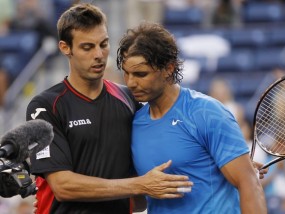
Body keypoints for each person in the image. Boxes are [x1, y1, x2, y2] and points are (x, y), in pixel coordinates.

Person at [25, 4, 193, 214]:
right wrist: (139, 185)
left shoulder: (129, 99)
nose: (99, 54)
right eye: (87, 47)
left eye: (103, 44)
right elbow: (62, 186)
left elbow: (141, 191)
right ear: (65, 48)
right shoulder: (45, 106)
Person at [116, 21, 267, 213]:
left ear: (169, 68)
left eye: (140, 74)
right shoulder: (134, 122)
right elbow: (138, 202)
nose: (130, 83)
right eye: (126, 74)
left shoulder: (206, 112)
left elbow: (250, 185)